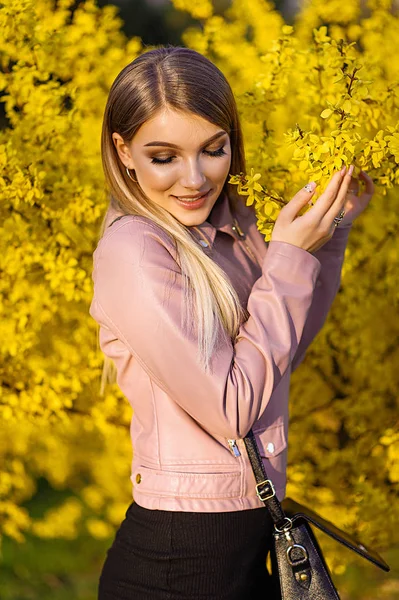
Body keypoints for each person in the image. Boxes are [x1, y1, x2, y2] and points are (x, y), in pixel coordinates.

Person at [89, 46, 374, 600]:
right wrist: (289, 256)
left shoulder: (228, 229)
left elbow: (285, 349)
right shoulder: (134, 249)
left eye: (213, 149)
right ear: (124, 151)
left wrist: (329, 233)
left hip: (247, 541)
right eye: (164, 157)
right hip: (178, 559)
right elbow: (231, 408)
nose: (194, 179)